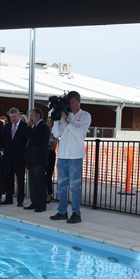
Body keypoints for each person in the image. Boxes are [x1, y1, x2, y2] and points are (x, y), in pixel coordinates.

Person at [50, 91, 92, 224]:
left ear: (79, 101)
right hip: (62, 155)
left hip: (75, 156)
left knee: (75, 186)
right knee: (61, 185)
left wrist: (65, 120)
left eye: (73, 102)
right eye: (69, 102)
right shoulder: (65, 115)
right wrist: (57, 120)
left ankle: (76, 213)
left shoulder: (85, 115)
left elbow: (79, 133)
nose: (70, 105)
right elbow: (56, 133)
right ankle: (62, 212)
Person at [24, 108, 50, 213]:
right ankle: (34, 202)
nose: (30, 118)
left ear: (38, 115)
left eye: (32, 115)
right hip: (32, 159)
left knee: (39, 182)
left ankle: (41, 204)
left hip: (39, 159)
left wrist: (30, 128)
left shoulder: (43, 126)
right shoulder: (34, 126)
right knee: (33, 182)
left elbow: (36, 139)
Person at [2, 107, 28, 206]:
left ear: (19, 116)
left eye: (14, 117)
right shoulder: (7, 126)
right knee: (8, 178)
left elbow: (26, 143)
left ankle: (20, 200)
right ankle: (9, 198)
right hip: (8, 158)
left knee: (20, 179)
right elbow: (5, 141)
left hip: (20, 158)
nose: (12, 119)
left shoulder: (24, 126)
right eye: (11, 117)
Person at [45, 117, 58, 203]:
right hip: (44, 154)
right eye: (48, 121)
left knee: (48, 175)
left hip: (50, 154)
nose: (49, 123)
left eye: (50, 121)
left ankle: (49, 194)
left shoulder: (55, 132)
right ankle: (44, 193)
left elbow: (54, 147)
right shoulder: (44, 131)